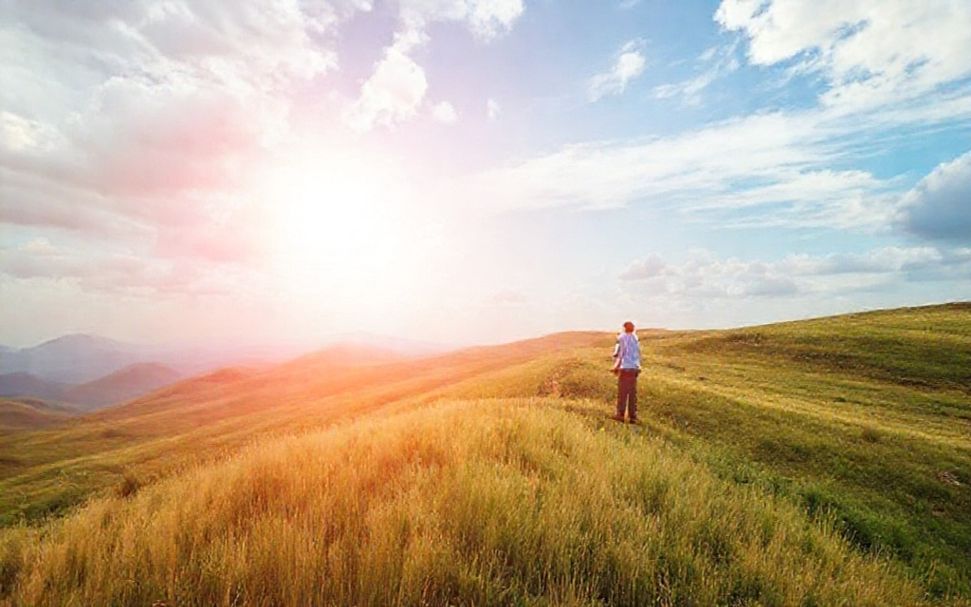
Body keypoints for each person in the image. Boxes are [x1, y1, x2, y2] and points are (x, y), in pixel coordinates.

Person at [611, 321, 641, 423]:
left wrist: (615, 367)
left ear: (624, 328)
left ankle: (620, 414)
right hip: (634, 368)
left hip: (624, 368)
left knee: (622, 392)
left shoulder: (621, 338)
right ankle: (633, 417)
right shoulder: (636, 338)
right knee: (632, 393)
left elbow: (619, 354)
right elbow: (637, 354)